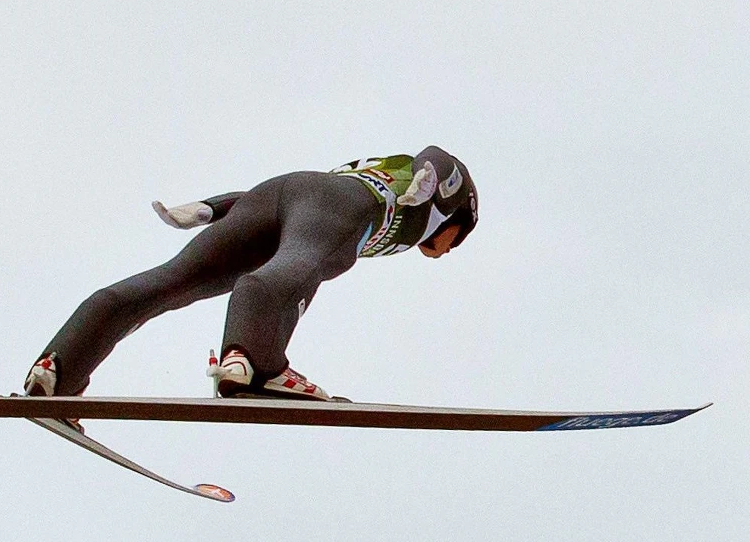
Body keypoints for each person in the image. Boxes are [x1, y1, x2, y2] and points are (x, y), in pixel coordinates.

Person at [24, 148, 477, 404]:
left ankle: (59, 368)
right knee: (305, 264)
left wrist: (213, 208)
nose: (445, 251)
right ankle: (256, 364)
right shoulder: (429, 199)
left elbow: (296, 198)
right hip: (336, 203)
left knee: (175, 279)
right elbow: (439, 158)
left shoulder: (390, 184)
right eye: (456, 240)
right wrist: (425, 178)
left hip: (277, 194)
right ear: (457, 215)